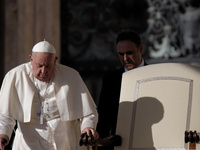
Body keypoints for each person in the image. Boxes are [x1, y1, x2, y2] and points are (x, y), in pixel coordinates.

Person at [0, 40, 99, 150]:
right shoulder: (15, 76)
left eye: (48, 66)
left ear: (55, 60)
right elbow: (5, 114)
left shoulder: (71, 75)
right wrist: (3, 133)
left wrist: (87, 127)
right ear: (31, 59)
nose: (43, 71)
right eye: (39, 66)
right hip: (29, 143)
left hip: (65, 142)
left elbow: (88, 112)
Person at [96, 29, 147, 150]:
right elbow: (104, 121)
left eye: (129, 53)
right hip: (120, 145)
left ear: (140, 49)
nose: (125, 58)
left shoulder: (157, 76)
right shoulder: (110, 81)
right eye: (121, 54)